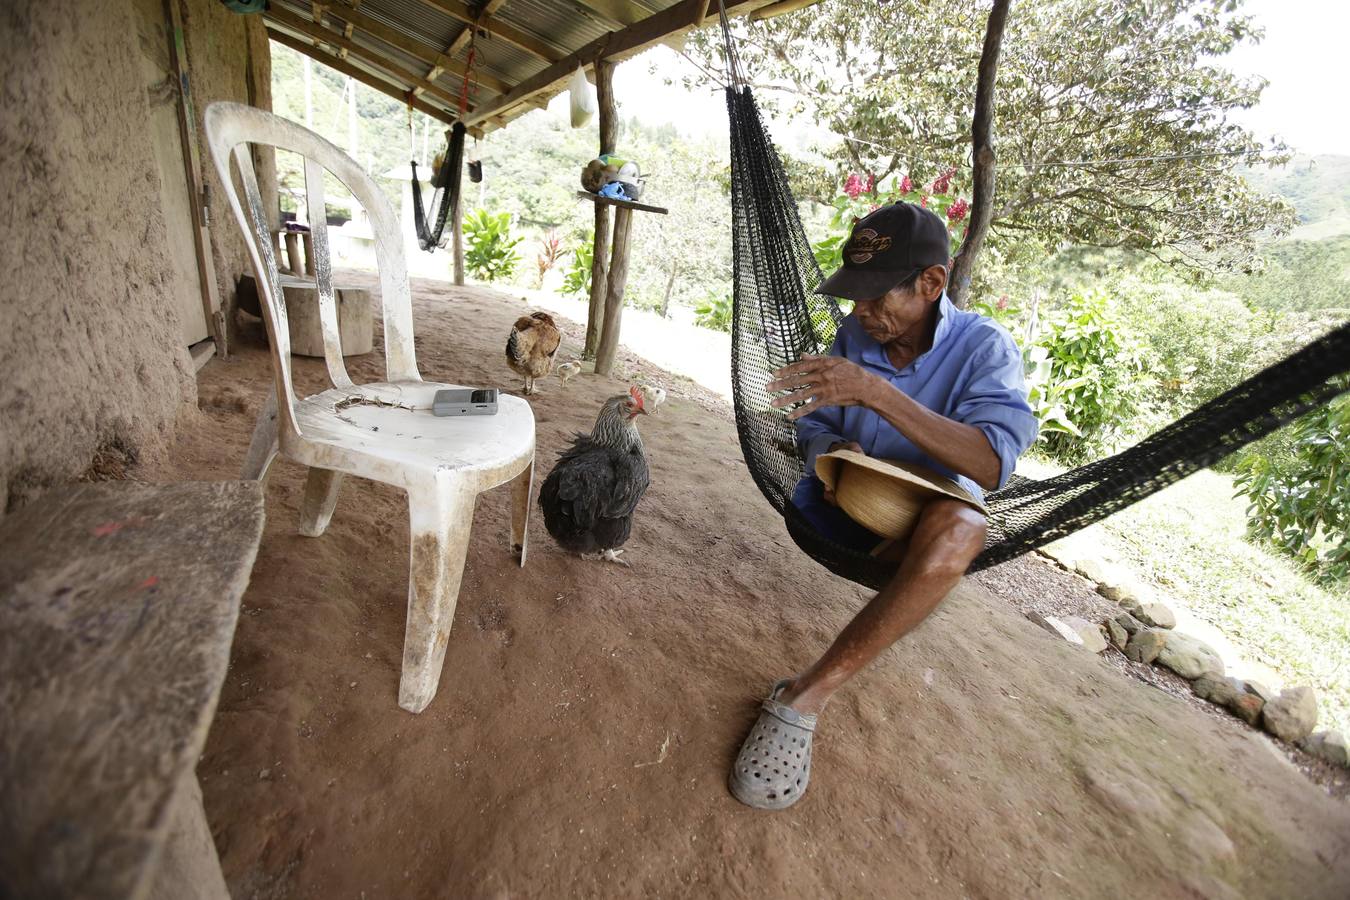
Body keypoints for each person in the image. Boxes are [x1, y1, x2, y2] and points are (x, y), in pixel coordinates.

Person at [728, 202, 1039, 810]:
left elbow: (991, 465)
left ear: (932, 284)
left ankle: (804, 697)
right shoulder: (857, 333)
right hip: (838, 507)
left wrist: (877, 394)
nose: (859, 312)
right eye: (854, 296)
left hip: (923, 523)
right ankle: (910, 579)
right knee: (929, 557)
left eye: (875, 296)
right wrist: (830, 443)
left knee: (961, 526)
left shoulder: (986, 351)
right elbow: (814, 426)